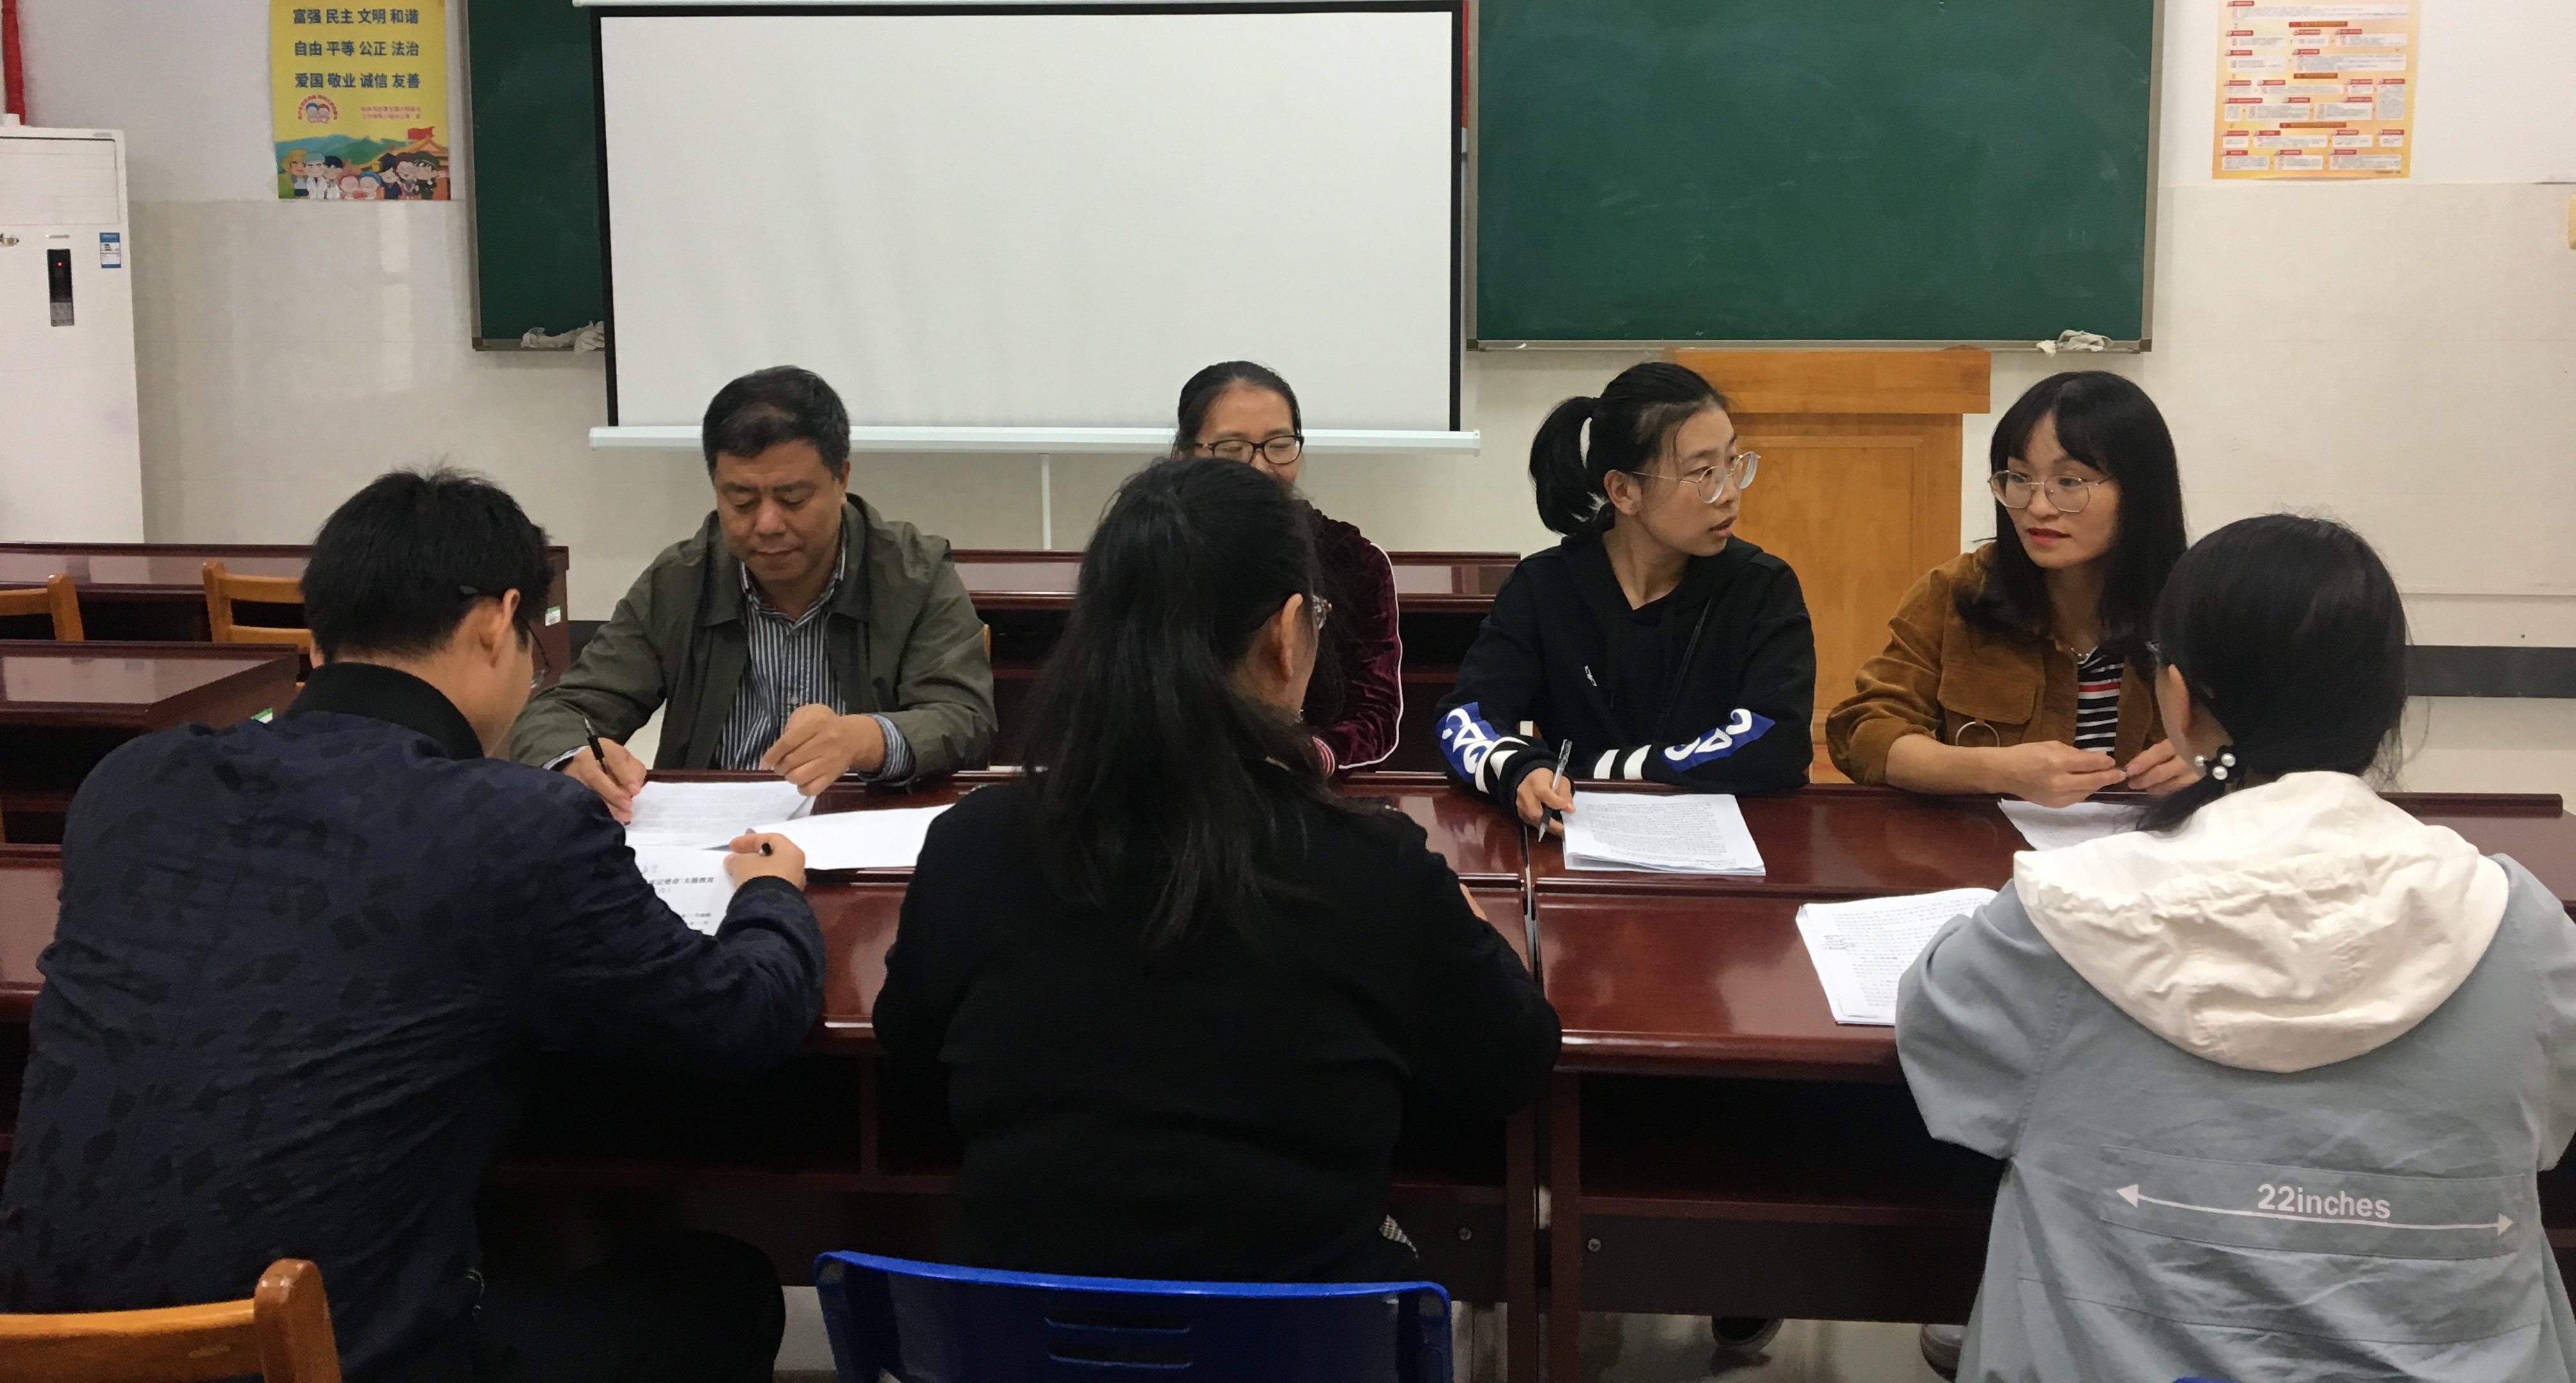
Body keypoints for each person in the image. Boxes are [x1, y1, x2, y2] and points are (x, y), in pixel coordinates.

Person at [0, 469, 825, 1383]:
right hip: (325, 1359)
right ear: (497, 621)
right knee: (725, 1288)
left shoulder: (131, 786)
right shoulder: (510, 824)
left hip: (44, 1354)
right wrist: (770, 894)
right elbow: (744, 1017)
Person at [1896, 513, 2576, 1382]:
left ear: (2177, 701)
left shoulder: (2067, 916)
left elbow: (1941, 1041)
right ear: (2384, 707)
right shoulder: (2521, 929)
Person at [873, 455, 1559, 1281]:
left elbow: (910, 1056)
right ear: (1287, 634)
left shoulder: (970, 845)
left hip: (1017, 1333)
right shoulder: (1378, 872)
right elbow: (1512, 1064)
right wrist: (1470, 931)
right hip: (1299, 1340)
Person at [511, 365, 997, 815]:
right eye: (741, 501)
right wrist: (573, 756)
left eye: (793, 498)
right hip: (714, 837)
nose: (767, 524)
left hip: (861, 825)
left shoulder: (913, 573)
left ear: (841, 480)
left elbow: (965, 719)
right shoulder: (681, 581)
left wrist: (863, 739)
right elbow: (559, 711)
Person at [1435, 360, 1815, 830]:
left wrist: (1602, 769)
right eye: (1703, 474)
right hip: (1576, 838)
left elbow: (1777, 742)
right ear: (1624, 491)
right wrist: (1519, 768)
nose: (1730, 492)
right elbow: (1465, 717)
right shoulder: (1544, 588)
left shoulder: (1763, 588)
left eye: (1733, 463)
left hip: (1726, 843)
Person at [1826, 370, 2195, 808]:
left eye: (2069, 482)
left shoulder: (2201, 604)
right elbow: (1865, 733)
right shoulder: (1957, 591)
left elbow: (2260, 738)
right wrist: (1994, 771)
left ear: (2140, 490)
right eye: (2019, 478)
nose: (2037, 507)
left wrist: (2216, 760)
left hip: (2155, 847)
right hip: (1987, 842)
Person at [1172, 360, 1402, 771]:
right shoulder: (1157, 550)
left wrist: (1301, 760)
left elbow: (1375, 717)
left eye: (1279, 445)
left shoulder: (1352, 559)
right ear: (1183, 455)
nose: (1260, 467)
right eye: (1232, 449)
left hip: (1309, 789)